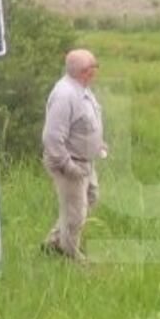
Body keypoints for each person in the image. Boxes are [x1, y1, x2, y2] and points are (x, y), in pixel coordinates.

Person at [42, 49, 106, 262]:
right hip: (70, 164)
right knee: (76, 215)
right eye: (94, 67)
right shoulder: (65, 95)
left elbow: (85, 124)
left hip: (86, 161)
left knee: (91, 197)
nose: (96, 71)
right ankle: (70, 256)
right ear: (85, 71)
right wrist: (69, 167)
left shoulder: (82, 89)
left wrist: (98, 144)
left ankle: (54, 243)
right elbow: (52, 137)